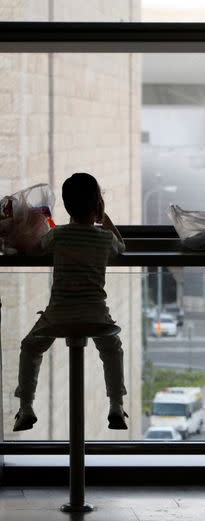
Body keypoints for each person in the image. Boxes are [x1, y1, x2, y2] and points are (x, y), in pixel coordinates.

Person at [13, 173, 128, 432]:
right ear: (98, 205)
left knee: (30, 348)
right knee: (112, 349)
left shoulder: (58, 236)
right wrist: (106, 219)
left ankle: (27, 407)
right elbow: (122, 245)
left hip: (58, 317)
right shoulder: (105, 238)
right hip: (96, 317)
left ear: (65, 206)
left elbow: (33, 250)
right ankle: (116, 405)